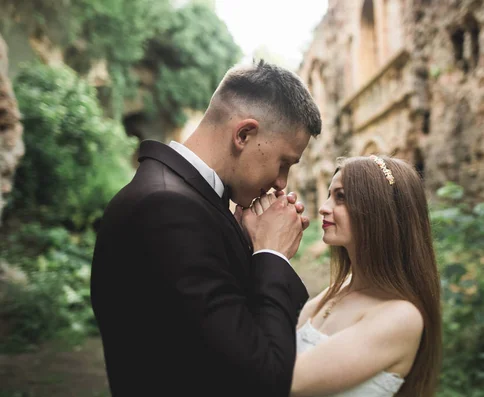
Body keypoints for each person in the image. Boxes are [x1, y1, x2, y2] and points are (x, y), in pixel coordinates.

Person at [90, 60, 321, 396]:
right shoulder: (168, 210)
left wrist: (249, 248)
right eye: (284, 163)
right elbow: (263, 377)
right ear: (243, 134)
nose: (281, 183)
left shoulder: (184, 201)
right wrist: (272, 255)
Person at [251, 155, 442, 397]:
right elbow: (264, 340)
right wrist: (255, 243)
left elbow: (278, 379)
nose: (324, 207)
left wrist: (270, 252)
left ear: (378, 210)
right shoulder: (342, 289)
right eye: (330, 194)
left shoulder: (401, 316)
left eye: (340, 197)